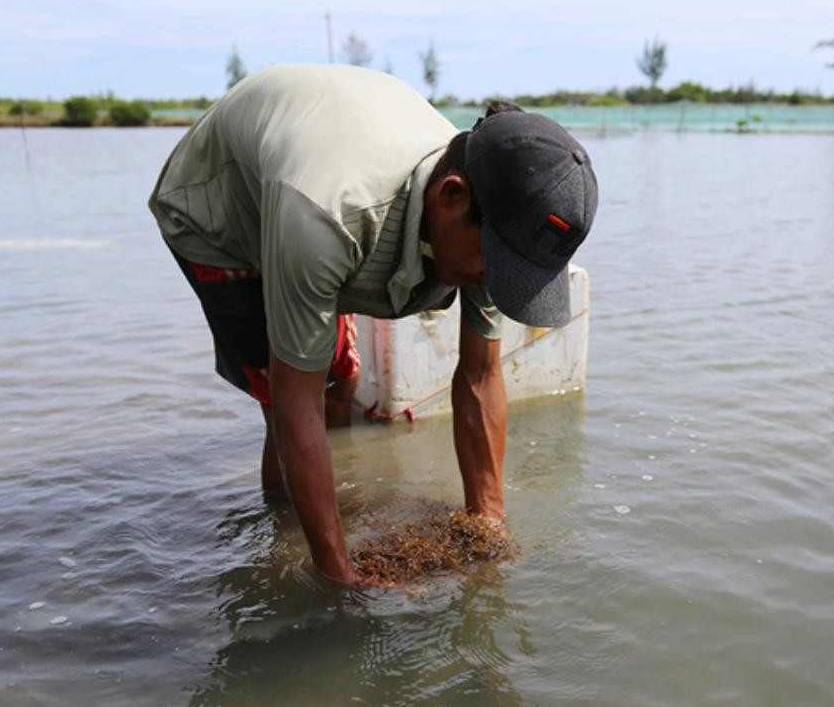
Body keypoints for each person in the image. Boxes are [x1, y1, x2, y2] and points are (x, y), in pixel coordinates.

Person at [148, 64, 598, 584]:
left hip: (326, 186)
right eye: (493, 267)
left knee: (342, 385)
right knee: (291, 396)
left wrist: (487, 523)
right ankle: (285, 540)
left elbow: (479, 375)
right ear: (451, 196)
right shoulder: (328, 215)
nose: (494, 282)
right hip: (221, 214)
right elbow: (296, 402)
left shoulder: (503, 224)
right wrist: (342, 581)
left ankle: (324, 516)